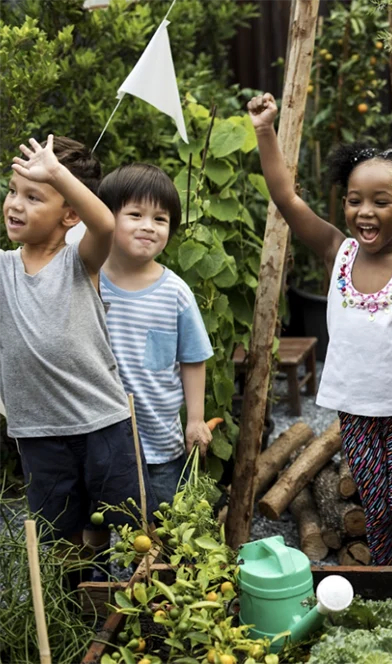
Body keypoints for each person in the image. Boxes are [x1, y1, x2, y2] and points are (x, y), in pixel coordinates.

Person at [248, 93, 392, 565]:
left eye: (381, 201)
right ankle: (387, 580)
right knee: (377, 510)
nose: (365, 212)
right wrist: (265, 130)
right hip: (356, 407)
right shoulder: (338, 253)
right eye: (355, 201)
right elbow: (285, 197)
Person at [1, 135, 151, 547]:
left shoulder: (78, 260)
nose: (15, 204)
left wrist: (57, 173)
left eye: (33, 196)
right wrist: (43, 181)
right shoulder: (4, 268)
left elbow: (103, 222)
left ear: (69, 214)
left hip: (100, 421)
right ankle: (75, 608)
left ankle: (106, 593)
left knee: (114, 525)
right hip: (38, 431)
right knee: (58, 534)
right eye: (13, 191)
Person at [98, 163, 214, 506]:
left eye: (160, 219)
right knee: (100, 519)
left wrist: (195, 420)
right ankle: (97, 563)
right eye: (135, 214)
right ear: (106, 218)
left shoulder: (174, 292)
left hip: (160, 441)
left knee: (164, 524)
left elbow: (192, 357)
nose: (148, 227)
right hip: (101, 439)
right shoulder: (91, 283)